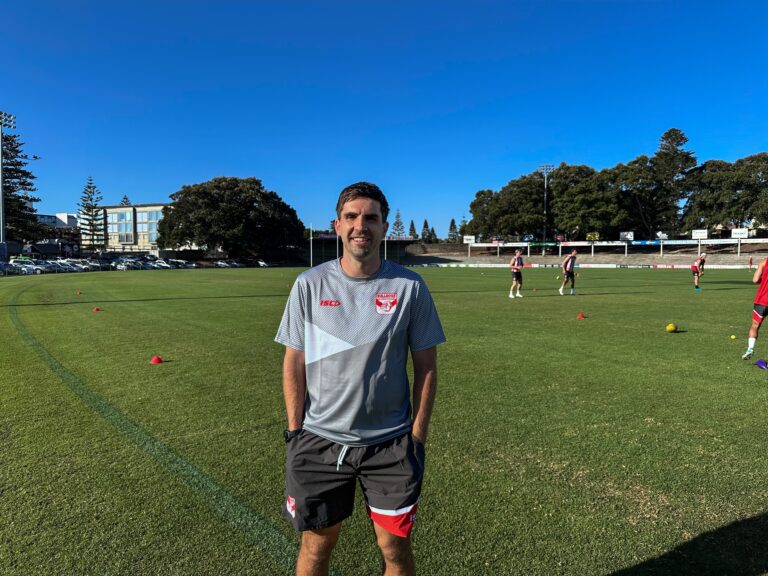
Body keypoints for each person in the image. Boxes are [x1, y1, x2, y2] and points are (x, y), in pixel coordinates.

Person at [275, 182, 446, 576]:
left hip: (391, 446)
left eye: (371, 217)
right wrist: (295, 431)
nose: (360, 226)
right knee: (315, 549)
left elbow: (426, 366)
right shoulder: (309, 284)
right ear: (337, 225)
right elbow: (293, 362)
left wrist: (417, 438)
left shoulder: (410, 287)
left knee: (395, 551)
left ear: (384, 227)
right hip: (319, 441)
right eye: (351, 217)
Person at [742, 256, 768, 360]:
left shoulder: (763, 261)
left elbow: (755, 279)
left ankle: (750, 349)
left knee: (755, 326)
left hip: (762, 300)